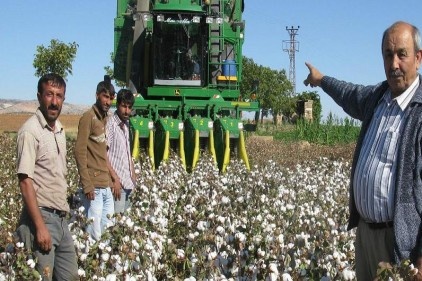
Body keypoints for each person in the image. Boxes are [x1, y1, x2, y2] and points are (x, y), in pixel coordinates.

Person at [304, 21, 422, 280]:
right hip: (365, 236)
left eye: (402, 54)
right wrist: (321, 79)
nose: (394, 64)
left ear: (418, 58)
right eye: (388, 55)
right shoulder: (377, 98)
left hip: (399, 244)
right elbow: (348, 94)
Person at [15, 73, 79, 280]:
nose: (54, 101)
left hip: (60, 219)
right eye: (49, 95)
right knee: (41, 276)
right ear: (39, 96)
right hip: (41, 219)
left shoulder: (58, 130)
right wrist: (40, 227)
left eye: (59, 96)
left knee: (69, 276)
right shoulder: (30, 131)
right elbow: (25, 182)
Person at [74, 78, 115, 241]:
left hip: (105, 186)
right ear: (97, 95)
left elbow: (102, 153)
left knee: (108, 230)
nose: (108, 101)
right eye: (105, 96)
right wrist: (87, 184)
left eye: (111, 98)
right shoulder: (88, 118)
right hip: (94, 187)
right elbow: (79, 151)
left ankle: (104, 266)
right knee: (93, 234)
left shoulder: (105, 119)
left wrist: (111, 181)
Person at [106, 89, 136, 213]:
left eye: (129, 107)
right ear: (118, 105)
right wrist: (114, 179)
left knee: (126, 225)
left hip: (129, 184)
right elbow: (104, 153)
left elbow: (127, 152)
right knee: (117, 225)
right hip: (118, 186)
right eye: (124, 106)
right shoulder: (111, 124)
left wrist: (133, 173)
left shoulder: (126, 124)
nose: (126, 111)